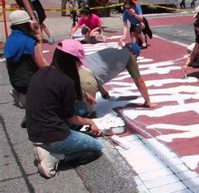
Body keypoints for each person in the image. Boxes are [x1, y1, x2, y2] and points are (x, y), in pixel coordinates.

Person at [26, 40, 103, 178]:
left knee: (81, 109)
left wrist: (85, 96)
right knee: (96, 148)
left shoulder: (42, 72)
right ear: (71, 62)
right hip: (52, 135)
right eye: (78, 62)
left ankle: (50, 148)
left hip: (35, 130)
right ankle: (56, 156)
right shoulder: (65, 81)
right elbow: (70, 117)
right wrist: (90, 122)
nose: (80, 65)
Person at [78, 43, 153, 108]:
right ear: (134, 55)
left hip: (75, 70)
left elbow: (93, 70)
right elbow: (139, 82)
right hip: (86, 80)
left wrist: (102, 91)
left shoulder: (109, 49)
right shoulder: (129, 57)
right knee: (83, 112)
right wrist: (147, 101)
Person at [4, 10, 48, 109]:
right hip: (28, 84)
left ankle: (23, 96)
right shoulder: (28, 41)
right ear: (26, 24)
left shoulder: (10, 40)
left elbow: (8, 65)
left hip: (15, 82)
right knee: (54, 76)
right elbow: (42, 65)